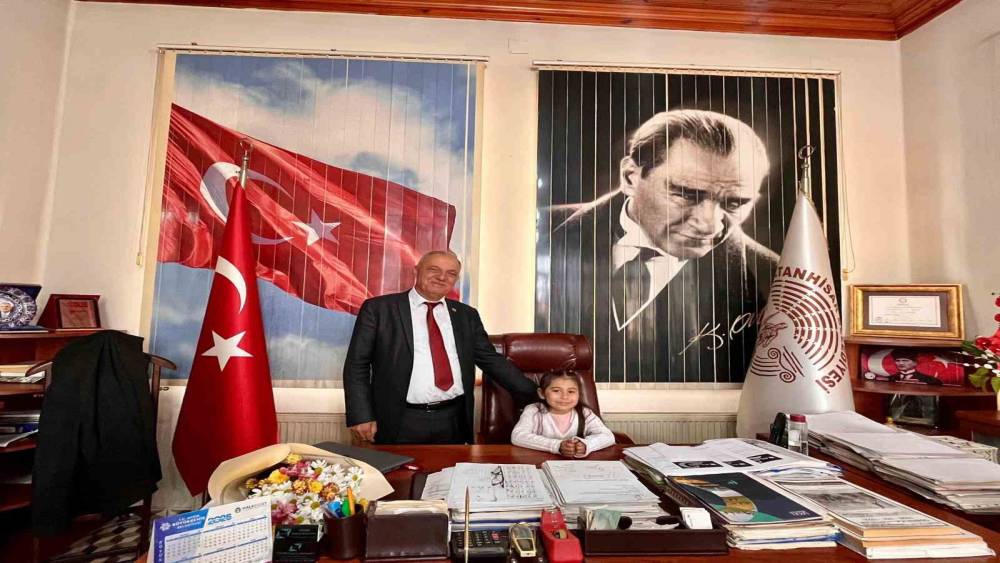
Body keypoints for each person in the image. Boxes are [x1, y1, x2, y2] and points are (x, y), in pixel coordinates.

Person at [558, 109, 779, 381]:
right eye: (686, 194)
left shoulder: (778, 280)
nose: (710, 225)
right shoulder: (543, 228)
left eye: (734, 203)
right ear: (630, 177)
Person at [343, 250, 538, 444]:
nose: (442, 277)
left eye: (451, 273)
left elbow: (491, 360)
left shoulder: (466, 315)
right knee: (398, 466)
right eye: (433, 269)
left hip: (454, 420)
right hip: (401, 419)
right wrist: (361, 414)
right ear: (416, 271)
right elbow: (357, 365)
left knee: (453, 465)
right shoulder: (379, 309)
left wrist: (540, 394)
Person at [510, 370, 614, 457]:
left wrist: (587, 445)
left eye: (571, 391)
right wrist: (557, 445)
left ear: (579, 394)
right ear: (541, 393)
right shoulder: (534, 410)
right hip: (539, 462)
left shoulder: (585, 413)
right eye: (556, 391)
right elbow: (518, 436)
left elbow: (608, 436)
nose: (564, 397)